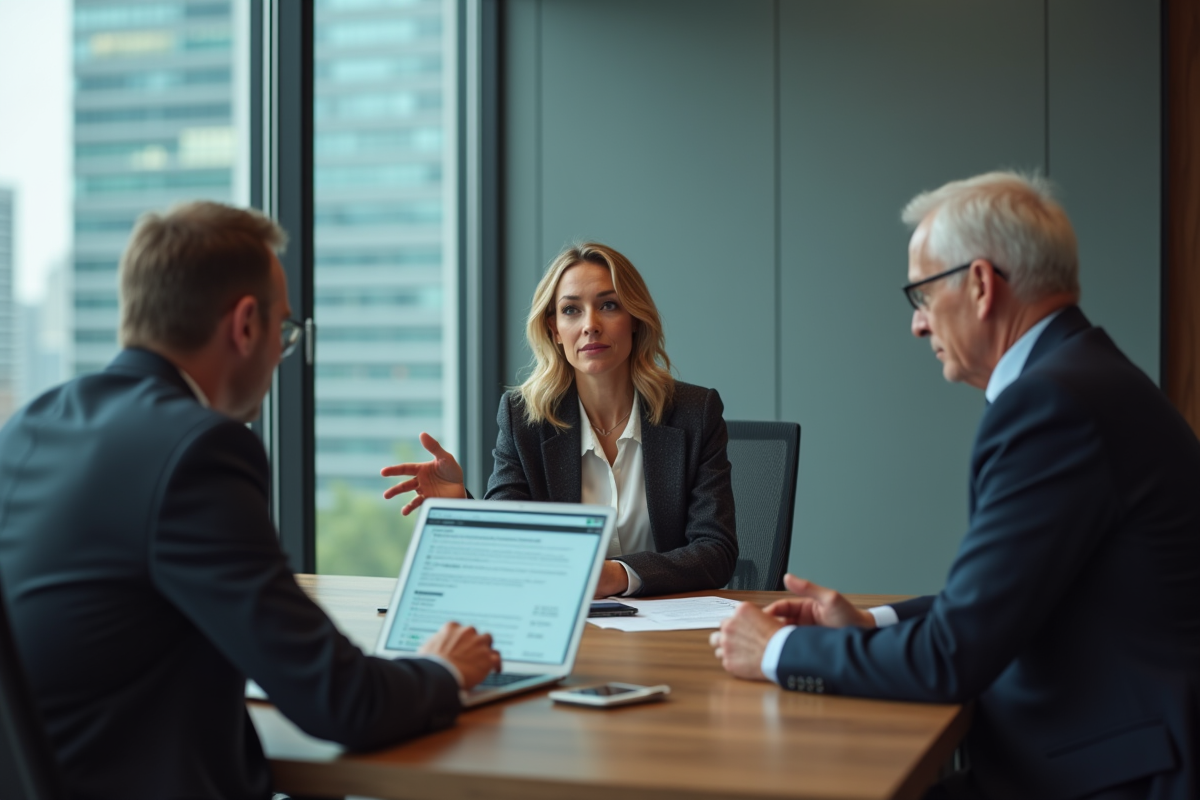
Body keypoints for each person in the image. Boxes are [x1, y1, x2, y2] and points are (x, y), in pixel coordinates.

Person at [709, 172, 1200, 800]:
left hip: (1106, 773)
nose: (917, 325)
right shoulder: (1087, 378)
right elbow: (994, 604)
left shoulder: (1052, 405)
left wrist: (779, 651)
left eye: (921, 294)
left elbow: (953, 656)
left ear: (979, 285)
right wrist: (872, 622)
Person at [0, 201, 501, 800]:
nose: (279, 355)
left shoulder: (30, 424)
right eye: (283, 330)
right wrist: (443, 669)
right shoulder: (195, 450)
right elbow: (341, 703)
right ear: (244, 325)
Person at [382, 242, 737, 597]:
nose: (590, 325)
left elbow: (715, 551)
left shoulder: (694, 411)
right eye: (571, 310)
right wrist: (459, 502)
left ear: (635, 319)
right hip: (564, 623)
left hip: (671, 628)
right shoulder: (524, 418)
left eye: (608, 305)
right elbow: (508, 546)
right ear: (554, 329)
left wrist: (618, 575)